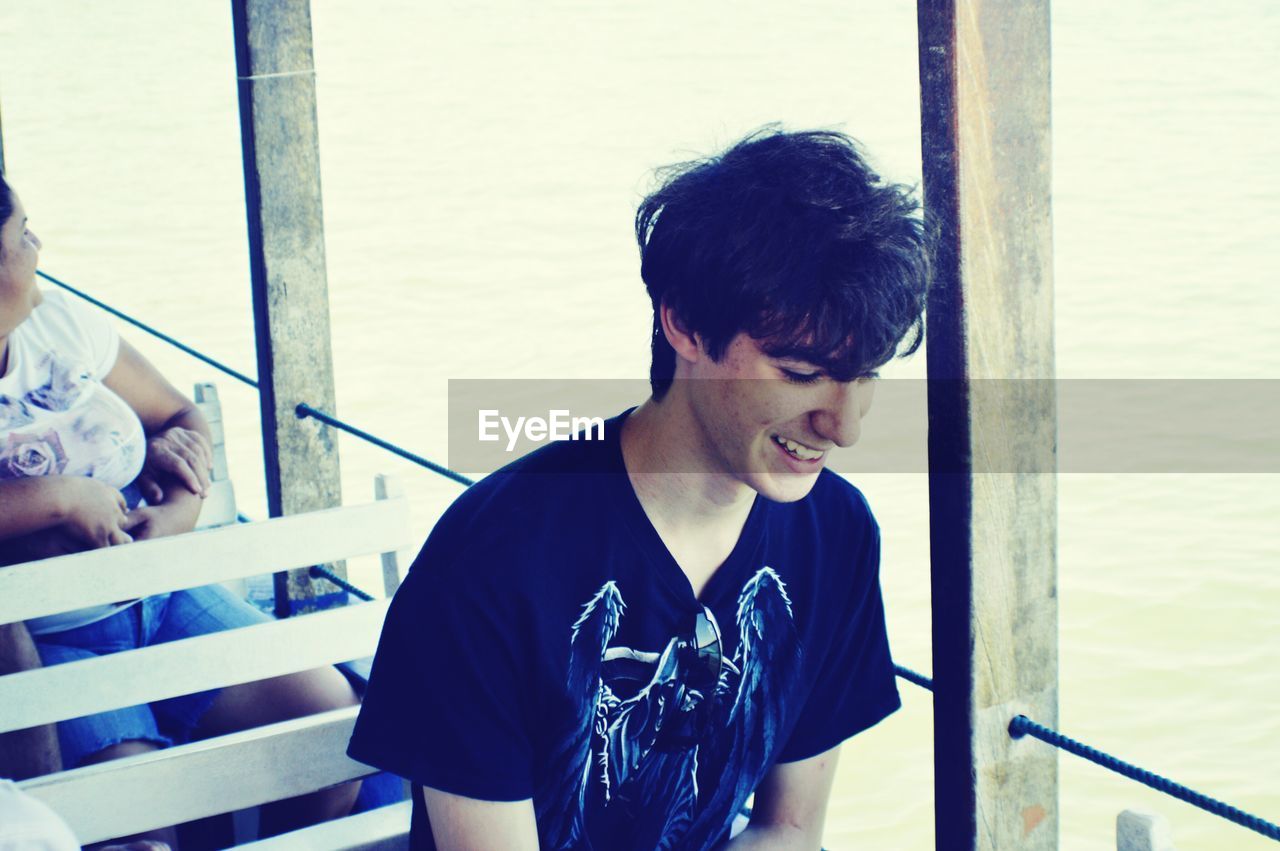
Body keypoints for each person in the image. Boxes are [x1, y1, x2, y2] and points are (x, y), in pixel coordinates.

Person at [348, 127, 931, 850]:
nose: (843, 428)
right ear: (683, 322)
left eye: (865, 374)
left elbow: (789, 827)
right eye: (801, 374)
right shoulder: (492, 559)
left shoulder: (836, 531)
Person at [0, 171, 363, 843]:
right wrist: (55, 498)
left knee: (330, 731)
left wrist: (181, 506)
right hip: (50, 642)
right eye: (22, 234)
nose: (38, 244)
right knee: (141, 830)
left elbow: (179, 412)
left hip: (161, 596)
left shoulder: (61, 323)